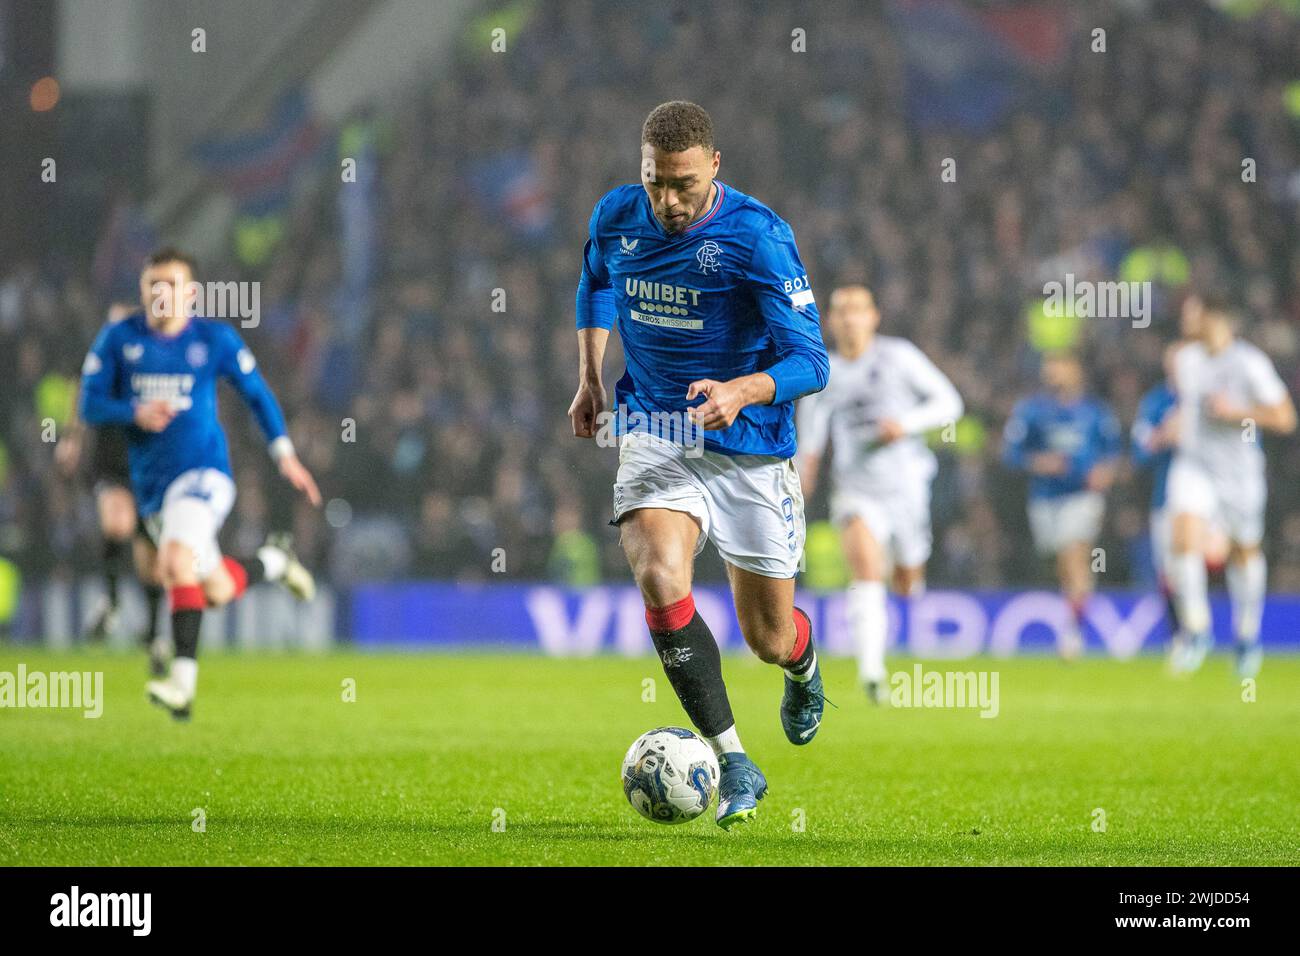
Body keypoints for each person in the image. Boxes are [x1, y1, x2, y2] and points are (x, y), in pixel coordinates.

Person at [567, 101, 829, 829]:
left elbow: (812, 360)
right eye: (656, 183)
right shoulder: (618, 217)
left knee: (769, 639)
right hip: (656, 428)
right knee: (657, 570)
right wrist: (591, 377)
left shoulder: (758, 238)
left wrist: (740, 391)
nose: (668, 201)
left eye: (682, 184)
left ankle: (803, 669)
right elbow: (595, 283)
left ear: (714, 167)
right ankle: (733, 757)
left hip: (748, 446)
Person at [79, 247, 321, 719]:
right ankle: (274, 561)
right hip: (152, 491)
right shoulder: (118, 340)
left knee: (172, 559)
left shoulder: (215, 340)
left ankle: (182, 685)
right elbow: (89, 404)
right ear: (143, 292)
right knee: (213, 589)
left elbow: (257, 394)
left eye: (172, 286)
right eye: (154, 286)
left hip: (204, 476)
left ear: (191, 294)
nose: (162, 295)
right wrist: (133, 411)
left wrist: (284, 453)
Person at [797, 285, 962, 702]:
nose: (850, 318)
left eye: (858, 309)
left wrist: (905, 424)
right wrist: (804, 474)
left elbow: (950, 403)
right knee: (866, 571)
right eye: (841, 311)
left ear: (874, 317)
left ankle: (905, 574)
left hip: (907, 487)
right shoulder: (824, 371)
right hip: (856, 489)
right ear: (831, 322)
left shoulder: (899, 356)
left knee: (907, 581)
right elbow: (811, 435)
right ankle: (872, 672)